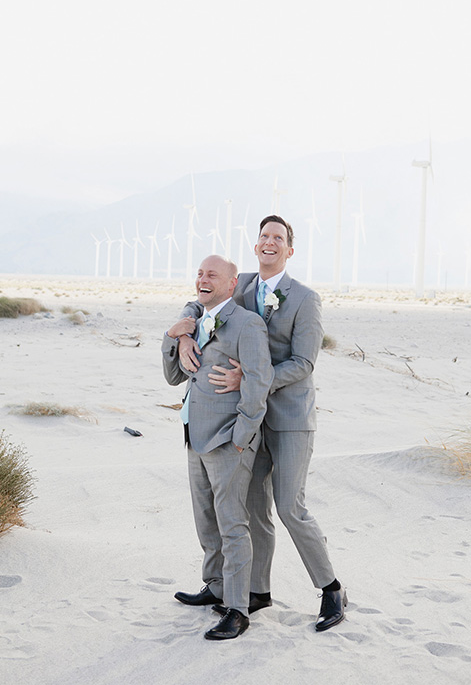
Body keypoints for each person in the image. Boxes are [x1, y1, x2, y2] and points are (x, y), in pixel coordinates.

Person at [177, 215, 346, 632]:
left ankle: (331, 588)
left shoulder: (305, 299)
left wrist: (253, 378)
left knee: (290, 506)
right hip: (246, 418)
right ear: (256, 247)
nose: (270, 242)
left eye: (278, 238)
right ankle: (256, 591)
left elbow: (304, 363)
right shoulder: (242, 284)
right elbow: (200, 301)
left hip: (289, 418)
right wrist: (182, 332)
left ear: (290, 250)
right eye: (264, 236)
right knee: (253, 509)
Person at [162, 255, 273, 640]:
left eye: (212, 274)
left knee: (232, 525)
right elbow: (173, 376)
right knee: (206, 519)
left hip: (228, 441)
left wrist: (241, 438)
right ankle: (215, 586)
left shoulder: (247, 323)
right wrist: (174, 336)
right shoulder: (194, 323)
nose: (202, 279)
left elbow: (259, 382)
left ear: (231, 284)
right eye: (199, 273)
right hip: (194, 435)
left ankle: (238, 609)